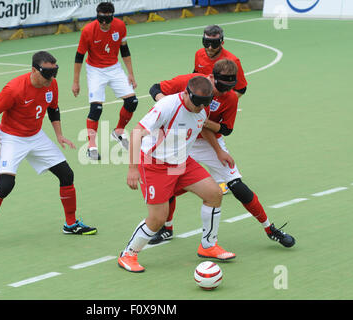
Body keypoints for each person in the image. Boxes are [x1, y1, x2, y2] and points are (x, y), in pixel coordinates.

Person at [147, 59, 295, 250]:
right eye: (220, 87)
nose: (223, 92)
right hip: (182, 139)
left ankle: (270, 229)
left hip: (211, 142)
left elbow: (225, 129)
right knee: (168, 186)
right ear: (210, 77)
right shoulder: (192, 82)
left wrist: (217, 148)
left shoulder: (230, 98)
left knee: (238, 186)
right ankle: (167, 228)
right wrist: (167, 103)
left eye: (228, 88)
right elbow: (154, 88)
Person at [0, 51, 97, 250]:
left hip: (36, 136)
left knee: (66, 175)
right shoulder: (14, 89)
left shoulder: (51, 84)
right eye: (47, 73)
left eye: (54, 72)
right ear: (33, 70)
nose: (51, 78)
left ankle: (70, 224)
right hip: (12, 138)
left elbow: (53, 109)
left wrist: (59, 135)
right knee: (5, 185)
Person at [118, 76, 236, 273]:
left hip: (181, 161)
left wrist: (218, 151)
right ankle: (128, 254)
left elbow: (203, 127)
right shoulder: (167, 106)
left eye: (205, 103)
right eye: (197, 103)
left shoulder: (201, 108)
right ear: (186, 94)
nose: (200, 108)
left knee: (214, 194)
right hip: (155, 164)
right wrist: (133, 168)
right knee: (158, 220)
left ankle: (208, 246)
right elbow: (137, 132)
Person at [72, 2, 138, 160]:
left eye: (107, 20)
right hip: (95, 70)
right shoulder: (88, 30)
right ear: (97, 16)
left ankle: (118, 132)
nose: (103, 23)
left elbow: (125, 50)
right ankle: (92, 147)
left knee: (132, 102)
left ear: (112, 17)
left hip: (114, 68)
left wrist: (130, 73)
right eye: (100, 19)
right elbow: (79, 57)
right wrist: (76, 81)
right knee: (96, 109)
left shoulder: (120, 26)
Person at [195, 24, 248, 194]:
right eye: (206, 43)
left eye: (214, 44)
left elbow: (241, 88)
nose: (209, 48)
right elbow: (195, 76)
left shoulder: (232, 61)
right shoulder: (199, 54)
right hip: (199, 103)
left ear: (222, 42)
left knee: (214, 135)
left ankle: (223, 178)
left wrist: (221, 103)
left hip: (219, 105)